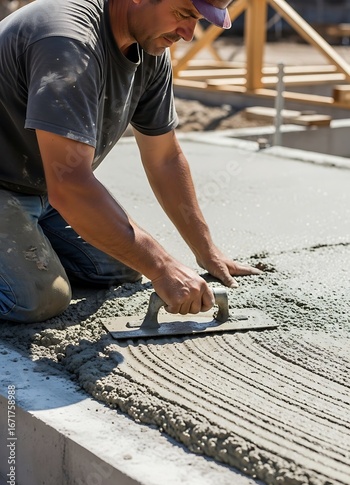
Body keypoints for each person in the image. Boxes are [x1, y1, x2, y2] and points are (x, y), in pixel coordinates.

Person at [0, 0, 261, 324]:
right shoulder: (68, 40)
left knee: (122, 265)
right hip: (12, 185)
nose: (188, 34)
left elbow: (164, 157)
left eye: (197, 21)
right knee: (39, 298)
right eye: (183, 15)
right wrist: (162, 266)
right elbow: (69, 185)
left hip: (39, 187)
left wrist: (206, 250)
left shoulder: (149, 51)